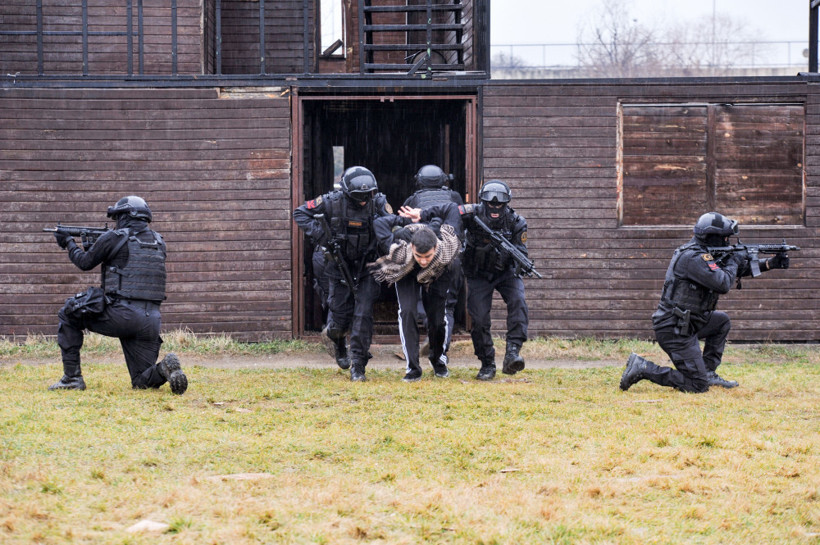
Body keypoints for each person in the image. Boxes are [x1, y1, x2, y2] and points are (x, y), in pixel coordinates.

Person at [620, 212, 791, 393]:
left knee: (721, 321)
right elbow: (723, 283)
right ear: (711, 237)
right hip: (674, 329)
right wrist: (734, 258)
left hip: (690, 322)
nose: (727, 241)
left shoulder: (705, 253)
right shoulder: (693, 258)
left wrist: (770, 263)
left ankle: (708, 372)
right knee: (697, 386)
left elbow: (734, 270)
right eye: (725, 238)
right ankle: (643, 367)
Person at [49, 196, 187, 394]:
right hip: (152, 320)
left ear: (124, 216)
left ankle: (72, 378)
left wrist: (68, 242)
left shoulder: (115, 237)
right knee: (141, 380)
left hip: (123, 315)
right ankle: (164, 368)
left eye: (117, 217)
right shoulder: (159, 242)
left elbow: (84, 262)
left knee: (68, 313)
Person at [293, 166, 392, 381]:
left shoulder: (378, 202)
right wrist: (321, 235)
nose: (364, 200)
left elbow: (392, 224)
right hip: (338, 265)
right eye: (359, 197)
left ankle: (358, 365)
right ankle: (338, 342)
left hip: (367, 266)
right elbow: (300, 213)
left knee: (363, 314)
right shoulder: (330, 201)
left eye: (368, 195)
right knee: (338, 320)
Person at [371, 204, 462, 381]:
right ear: (412, 246)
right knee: (407, 312)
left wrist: (424, 213)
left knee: (437, 319)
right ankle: (413, 368)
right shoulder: (399, 247)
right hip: (406, 271)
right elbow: (379, 223)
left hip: (439, 271)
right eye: (419, 256)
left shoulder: (447, 246)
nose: (423, 261)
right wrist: (405, 220)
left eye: (426, 256)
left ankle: (438, 360)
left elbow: (452, 208)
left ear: (435, 247)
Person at [401, 165, 464, 368]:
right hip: (449, 258)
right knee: (447, 306)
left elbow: (405, 227)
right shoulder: (454, 197)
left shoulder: (413, 200)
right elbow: (461, 222)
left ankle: (431, 332)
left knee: (421, 299)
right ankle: (440, 348)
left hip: (423, 258)